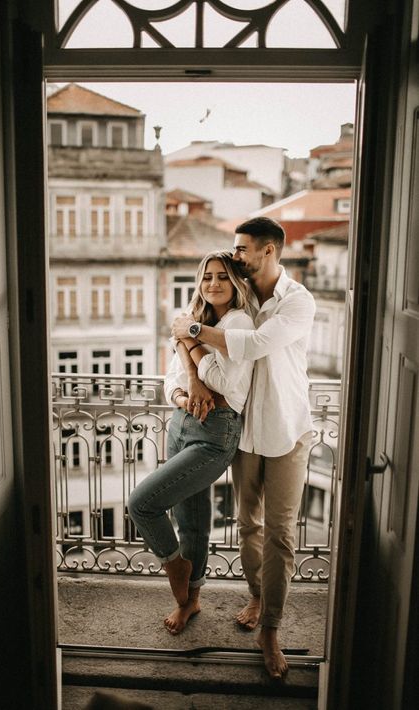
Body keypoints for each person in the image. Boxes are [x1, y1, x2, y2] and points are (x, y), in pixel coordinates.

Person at [172, 217, 315, 680]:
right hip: (245, 430)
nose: (235, 257)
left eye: (242, 249)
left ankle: (270, 630)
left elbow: (250, 346)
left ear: (268, 251)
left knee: (281, 532)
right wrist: (191, 368)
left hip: (288, 429)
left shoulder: (298, 301)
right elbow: (194, 344)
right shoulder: (242, 294)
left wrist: (190, 329)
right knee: (247, 522)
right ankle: (257, 594)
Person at [128, 250, 254, 635]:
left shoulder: (239, 323)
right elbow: (171, 380)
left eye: (221, 276)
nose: (213, 283)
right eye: (206, 277)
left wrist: (188, 342)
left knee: (142, 504)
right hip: (181, 422)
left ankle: (174, 563)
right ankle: (190, 602)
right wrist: (187, 391)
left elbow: (223, 383)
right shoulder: (196, 319)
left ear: (235, 283)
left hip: (215, 433)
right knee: (192, 521)